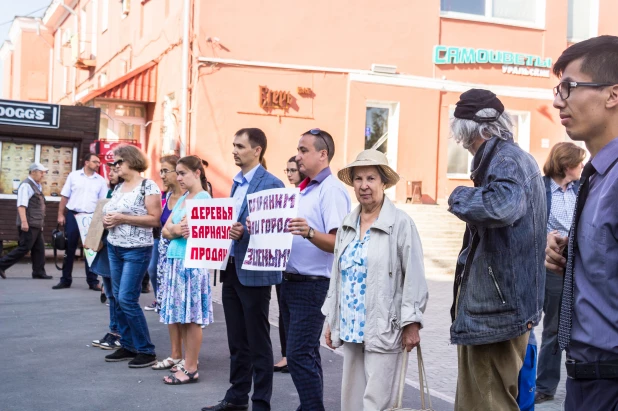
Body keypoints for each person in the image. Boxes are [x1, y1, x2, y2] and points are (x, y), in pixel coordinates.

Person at [447, 89, 547, 411]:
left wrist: (458, 196)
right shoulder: (506, 157)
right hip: (497, 308)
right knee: (481, 398)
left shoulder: (505, 158)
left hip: (496, 311)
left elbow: (502, 207)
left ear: (469, 130)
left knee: (487, 401)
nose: (461, 142)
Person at [322, 149, 428, 411]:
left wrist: (411, 323)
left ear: (383, 183)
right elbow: (338, 275)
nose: (364, 186)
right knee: (352, 402)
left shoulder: (401, 224)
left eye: (371, 178)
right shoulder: (348, 222)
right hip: (351, 326)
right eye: (358, 179)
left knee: (378, 404)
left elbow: (414, 277)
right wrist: (331, 319)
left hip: (384, 326)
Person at [545, 35, 618, 411]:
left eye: (570, 87)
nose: (558, 100)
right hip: (586, 377)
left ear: (612, 95)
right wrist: (570, 257)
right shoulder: (596, 175)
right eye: (558, 89)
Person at [202, 128, 284, 411]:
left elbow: (275, 227)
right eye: (233, 145)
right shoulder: (237, 183)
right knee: (236, 340)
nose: (234, 150)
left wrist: (245, 231)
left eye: (240, 146)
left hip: (256, 272)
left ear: (257, 150)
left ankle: (261, 403)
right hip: (232, 269)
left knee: (258, 341)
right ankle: (236, 398)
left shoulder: (272, 184)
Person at [281, 128, 351, 411]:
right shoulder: (305, 188)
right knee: (305, 353)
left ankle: (312, 408)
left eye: (303, 150)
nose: (298, 156)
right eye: (298, 150)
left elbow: (339, 243)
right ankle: (310, 406)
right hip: (291, 281)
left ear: (323, 154)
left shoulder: (331, 189)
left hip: (313, 284)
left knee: (297, 354)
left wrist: (309, 232)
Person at [527, 143, 584, 406]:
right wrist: (546, 238)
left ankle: (567, 381)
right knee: (549, 327)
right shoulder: (538, 187)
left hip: (579, 265)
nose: (582, 167)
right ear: (565, 165)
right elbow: (525, 224)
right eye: (579, 163)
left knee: (572, 325)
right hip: (549, 266)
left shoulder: (582, 189)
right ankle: (543, 386)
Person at [102, 145, 162, 368]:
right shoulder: (119, 187)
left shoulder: (148, 185)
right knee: (117, 297)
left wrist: (122, 219)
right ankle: (128, 345)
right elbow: (113, 212)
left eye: (117, 162)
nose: (114, 166)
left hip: (137, 248)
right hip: (114, 246)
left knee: (127, 298)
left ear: (130, 161)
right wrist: (108, 219)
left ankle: (146, 350)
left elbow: (155, 219)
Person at [158, 155, 213, 384]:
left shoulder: (202, 198)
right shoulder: (183, 199)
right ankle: (187, 363)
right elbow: (166, 229)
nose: (178, 178)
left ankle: (191, 367)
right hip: (177, 261)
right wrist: (177, 229)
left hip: (191, 263)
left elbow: (181, 230)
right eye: (177, 173)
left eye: (183, 173)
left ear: (197, 173)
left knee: (192, 318)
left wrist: (175, 230)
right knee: (182, 316)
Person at [53, 153, 108, 291]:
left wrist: (100, 221)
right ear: (87, 162)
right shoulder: (74, 176)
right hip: (73, 215)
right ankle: (65, 280)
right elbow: (65, 197)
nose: (98, 164)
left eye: (99, 162)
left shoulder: (100, 180)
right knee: (69, 248)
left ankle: (92, 281)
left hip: (91, 217)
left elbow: (103, 202)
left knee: (91, 250)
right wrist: (60, 214)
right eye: (95, 162)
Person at [273, 156, 306, 373]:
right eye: (287, 169)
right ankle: (286, 354)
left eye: (293, 169)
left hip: (301, 265)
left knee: (295, 318)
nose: (289, 173)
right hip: (282, 262)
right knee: (283, 313)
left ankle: (292, 356)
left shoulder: (306, 196)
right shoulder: (287, 195)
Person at [91, 163, 124, 350]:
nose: (110, 173)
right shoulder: (112, 192)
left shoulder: (122, 193)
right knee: (111, 293)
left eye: (114, 170)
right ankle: (114, 330)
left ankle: (118, 332)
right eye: (109, 170)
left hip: (114, 246)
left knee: (118, 294)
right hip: (106, 246)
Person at [0, 162, 52, 280]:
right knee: (24, 247)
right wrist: (24, 222)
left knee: (39, 248)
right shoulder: (26, 185)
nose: (43, 175)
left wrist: (40, 224)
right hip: (28, 223)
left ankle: (38, 272)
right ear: (33, 172)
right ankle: (2, 264)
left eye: (44, 172)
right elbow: (21, 205)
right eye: (41, 172)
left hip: (36, 223)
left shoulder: (37, 185)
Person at [144, 155, 181, 313]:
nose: (162, 175)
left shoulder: (188, 196)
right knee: (153, 269)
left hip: (178, 245)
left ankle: (171, 302)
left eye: (166, 171)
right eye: (161, 171)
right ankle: (161, 298)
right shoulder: (166, 194)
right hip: (161, 240)